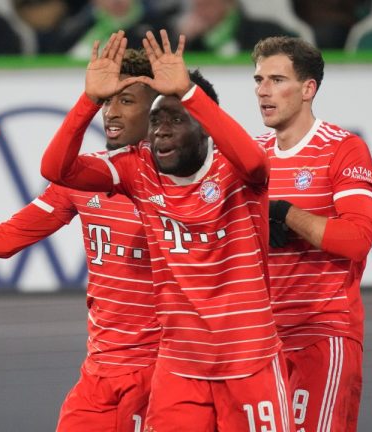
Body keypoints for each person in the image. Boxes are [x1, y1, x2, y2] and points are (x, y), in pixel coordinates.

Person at [41, 30, 294, 430]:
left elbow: (255, 162)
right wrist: (88, 101)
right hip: (180, 369)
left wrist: (189, 93)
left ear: (206, 126)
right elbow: (56, 170)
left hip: (249, 362)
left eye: (176, 119)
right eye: (156, 119)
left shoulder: (237, 170)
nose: (161, 129)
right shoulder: (137, 169)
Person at [0, 48, 160, 431]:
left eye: (125, 101)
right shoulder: (84, 177)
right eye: (105, 101)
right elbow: (6, 238)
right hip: (99, 372)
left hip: (159, 370)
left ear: (156, 112)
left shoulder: (179, 181)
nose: (110, 113)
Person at [253, 35, 372, 432]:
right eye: (258, 80)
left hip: (322, 334)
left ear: (308, 89)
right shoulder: (253, 155)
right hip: (260, 340)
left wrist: (288, 214)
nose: (263, 91)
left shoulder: (343, 148)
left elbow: (357, 240)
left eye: (276, 79)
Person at [175, 0, 294, 57]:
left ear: (229, 4)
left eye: (208, 5)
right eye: (197, 6)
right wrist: (184, 41)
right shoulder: (193, 40)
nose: (201, 12)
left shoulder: (266, 31)